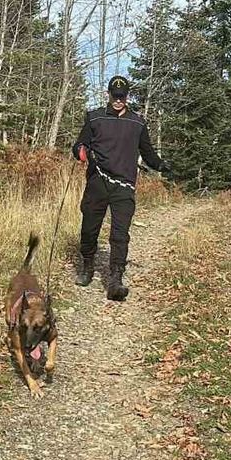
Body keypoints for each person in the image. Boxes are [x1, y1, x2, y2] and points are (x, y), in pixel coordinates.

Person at [71, 75, 169, 301]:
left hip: (124, 186)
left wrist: (161, 165)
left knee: (119, 234)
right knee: (89, 229)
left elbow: (148, 153)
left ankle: (115, 279)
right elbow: (79, 144)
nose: (118, 100)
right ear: (108, 95)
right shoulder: (94, 118)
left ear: (127, 96)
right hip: (97, 183)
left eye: (122, 97)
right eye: (114, 96)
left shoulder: (137, 123)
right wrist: (80, 151)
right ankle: (87, 266)